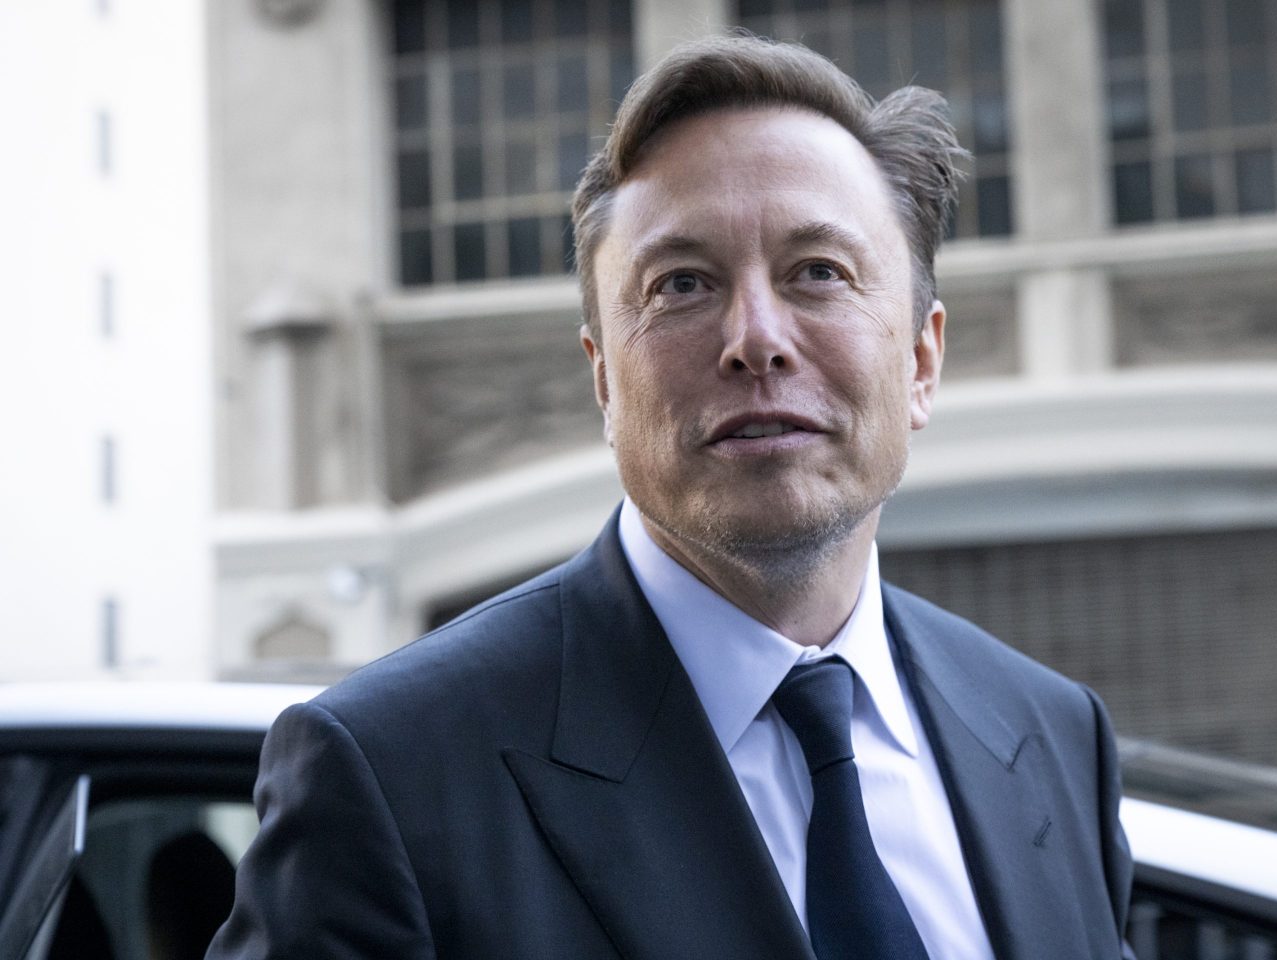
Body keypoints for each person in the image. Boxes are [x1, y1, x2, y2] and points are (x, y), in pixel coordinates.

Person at [207, 34, 1131, 960]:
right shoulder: (390, 774)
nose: (756, 340)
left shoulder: (1053, 736)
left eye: (819, 271)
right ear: (604, 378)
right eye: (682, 284)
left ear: (922, 361)